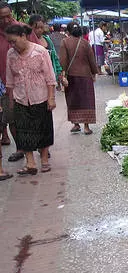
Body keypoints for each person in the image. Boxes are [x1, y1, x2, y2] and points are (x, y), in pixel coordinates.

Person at [5, 23, 56, 175]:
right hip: (20, 98)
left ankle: (45, 160)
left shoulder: (39, 51)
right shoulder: (11, 54)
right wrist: (11, 100)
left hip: (40, 97)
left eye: (14, 41)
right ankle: (31, 163)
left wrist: (51, 98)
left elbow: (50, 77)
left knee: (43, 129)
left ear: (23, 36)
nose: (12, 45)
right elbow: (9, 79)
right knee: (23, 131)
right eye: (10, 42)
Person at [0, 1, 38, 156]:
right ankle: (21, 148)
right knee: (12, 119)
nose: (6, 20)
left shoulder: (23, 29)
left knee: (34, 116)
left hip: (31, 83)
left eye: (8, 16)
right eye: (1, 17)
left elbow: (39, 51)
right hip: (6, 85)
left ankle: (41, 146)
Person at [59, 22, 99, 135]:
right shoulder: (85, 43)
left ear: (68, 31)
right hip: (86, 76)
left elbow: (63, 60)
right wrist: (94, 73)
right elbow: (92, 59)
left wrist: (63, 76)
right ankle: (86, 127)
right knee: (86, 101)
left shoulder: (65, 42)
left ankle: (76, 124)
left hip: (71, 76)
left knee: (73, 100)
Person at [28, 15, 62, 88]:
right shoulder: (28, 42)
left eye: (41, 27)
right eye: (37, 28)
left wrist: (59, 73)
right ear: (30, 27)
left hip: (49, 78)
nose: (40, 30)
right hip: (35, 81)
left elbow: (55, 57)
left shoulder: (48, 40)